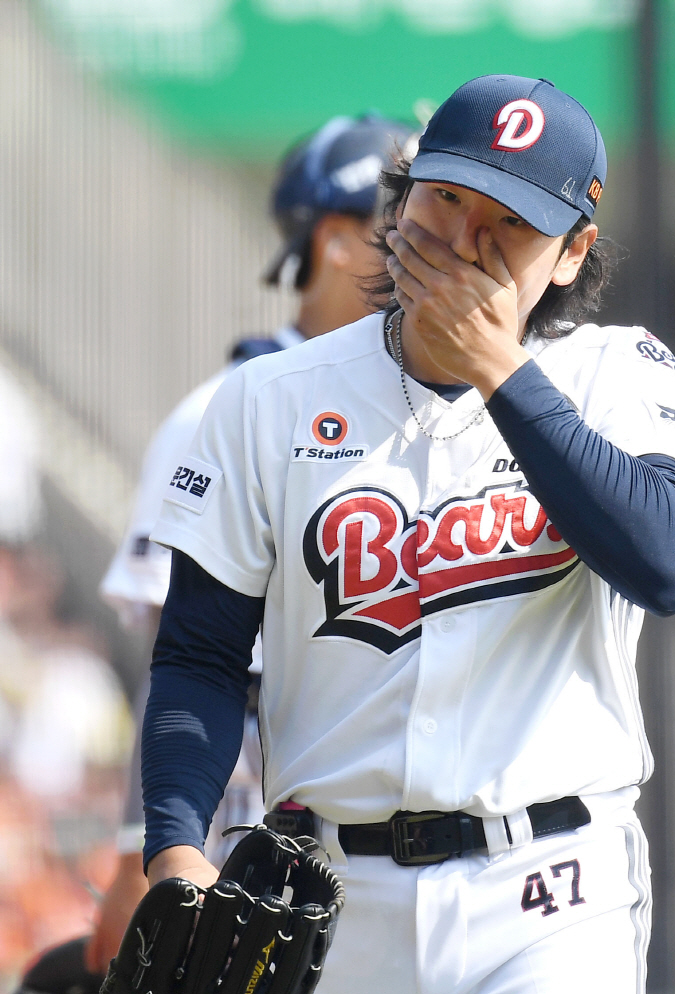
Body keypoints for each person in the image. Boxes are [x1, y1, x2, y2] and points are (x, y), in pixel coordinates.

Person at [140, 74, 675, 994]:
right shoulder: (274, 397)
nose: (465, 242)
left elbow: (667, 561)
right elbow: (202, 653)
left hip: (551, 893)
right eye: (447, 198)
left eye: (511, 221)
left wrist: (497, 365)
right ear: (401, 199)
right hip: (333, 898)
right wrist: (175, 843)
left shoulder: (619, 375)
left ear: (572, 254)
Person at [10, 114, 416, 991]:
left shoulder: (425, 407)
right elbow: (181, 661)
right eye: (405, 221)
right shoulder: (220, 412)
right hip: (245, 850)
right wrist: (141, 853)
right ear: (341, 240)